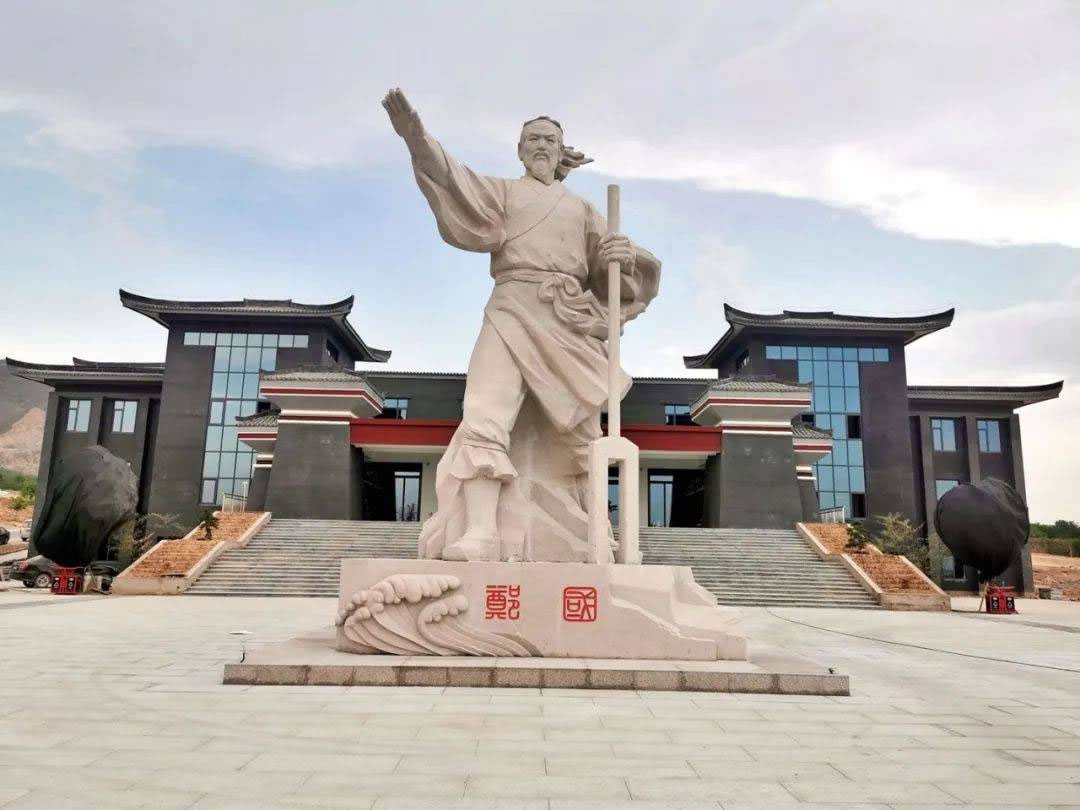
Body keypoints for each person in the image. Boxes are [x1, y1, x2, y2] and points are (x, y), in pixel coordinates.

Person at [383, 88, 661, 562]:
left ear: (560, 150)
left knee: (581, 432)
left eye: (550, 139)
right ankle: (481, 532)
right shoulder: (504, 194)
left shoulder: (582, 210)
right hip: (511, 307)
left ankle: (597, 529)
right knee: (484, 411)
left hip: (566, 319)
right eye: (533, 138)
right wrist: (416, 138)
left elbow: (609, 276)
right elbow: (453, 177)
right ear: (519, 149)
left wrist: (622, 255)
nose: (541, 145)